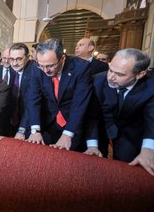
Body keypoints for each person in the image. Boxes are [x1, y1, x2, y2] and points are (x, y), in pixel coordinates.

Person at [85, 48, 154, 176]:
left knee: (127, 170)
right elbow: (91, 116)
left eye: (120, 74)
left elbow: (152, 119)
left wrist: (148, 149)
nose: (110, 77)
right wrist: (92, 145)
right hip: (102, 127)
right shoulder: (97, 81)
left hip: (132, 132)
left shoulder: (151, 87)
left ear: (140, 74)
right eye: (111, 69)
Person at [25, 38, 92, 151]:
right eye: (41, 65)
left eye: (51, 66)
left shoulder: (81, 67)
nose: (45, 71)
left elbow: (80, 103)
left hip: (71, 123)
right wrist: (35, 130)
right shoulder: (37, 68)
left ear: (62, 58)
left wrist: (67, 134)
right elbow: (32, 98)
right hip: (48, 122)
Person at [8, 43, 34, 139]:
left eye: (19, 59)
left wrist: (22, 129)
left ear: (27, 58)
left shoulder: (33, 72)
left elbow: (31, 104)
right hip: (16, 118)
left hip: (29, 122)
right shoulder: (14, 69)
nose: (14, 63)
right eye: (12, 59)